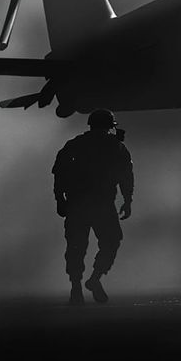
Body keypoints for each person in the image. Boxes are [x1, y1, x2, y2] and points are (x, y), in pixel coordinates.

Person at [52, 108, 134, 304]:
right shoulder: (115, 147)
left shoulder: (75, 145)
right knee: (110, 242)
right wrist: (127, 201)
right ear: (109, 127)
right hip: (101, 204)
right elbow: (126, 177)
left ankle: (77, 287)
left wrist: (60, 199)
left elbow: (59, 174)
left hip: (78, 204)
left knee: (76, 247)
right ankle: (94, 278)